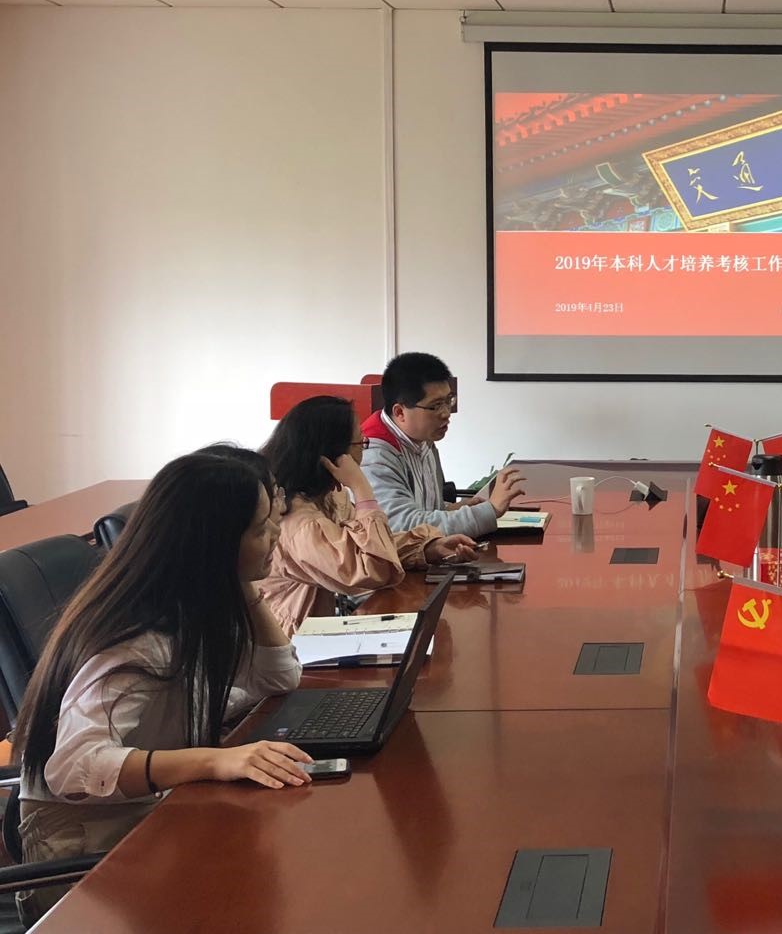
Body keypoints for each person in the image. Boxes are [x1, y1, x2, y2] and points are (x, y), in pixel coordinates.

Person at [11, 453, 311, 923]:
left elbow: (279, 678)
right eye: (260, 529)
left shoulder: (193, 606)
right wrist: (214, 760)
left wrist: (244, 582)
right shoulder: (137, 639)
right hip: (84, 855)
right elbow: (72, 767)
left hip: (144, 816)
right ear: (213, 545)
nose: (275, 535)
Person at [259, 396, 480, 637]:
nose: (364, 448)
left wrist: (427, 548)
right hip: (294, 644)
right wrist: (361, 487)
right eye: (360, 443)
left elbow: (366, 547)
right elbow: (372, 570)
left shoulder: (330, 496)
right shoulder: (300, 523)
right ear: (334, 455)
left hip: (321, 633)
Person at [360, 352, 525, 536]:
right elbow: (402, 527)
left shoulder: (423, 438)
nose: (446, 413)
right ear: (400, 412)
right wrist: (490, 510)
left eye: (448, 401)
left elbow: (425, 508)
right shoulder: (373, 455)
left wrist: (451, 509)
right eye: (436, 405)